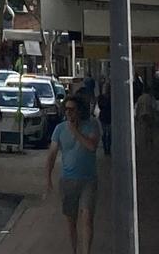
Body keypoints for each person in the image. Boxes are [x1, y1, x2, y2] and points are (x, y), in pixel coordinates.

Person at [48, 96, 101, 254]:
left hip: (88, 180)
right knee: (71, 220)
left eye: (72, 109)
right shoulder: (59, 129)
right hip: (68, 180)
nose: (69, 113)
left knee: (87, 217)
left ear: (79, 111)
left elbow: (91, 146)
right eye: (66, 110)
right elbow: (52, 154)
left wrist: (75, 131)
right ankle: (74, 250)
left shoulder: (91, 125)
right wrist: (48, 177)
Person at [96, 83, 112, 156]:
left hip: (106, 116)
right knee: (106, 133)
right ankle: (106, 148)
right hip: (105, 117)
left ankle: (107, 148)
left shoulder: (105, 97)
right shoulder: (104, 97)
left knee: (107, 133)